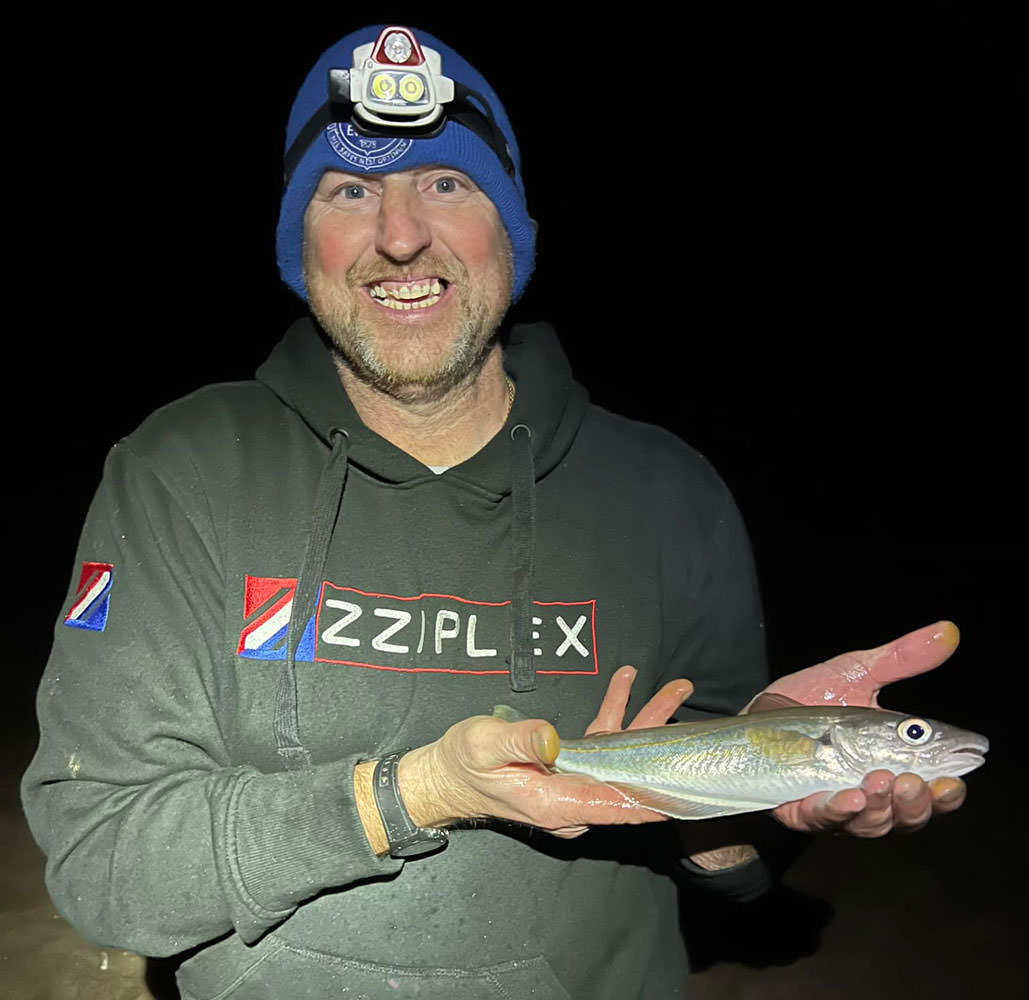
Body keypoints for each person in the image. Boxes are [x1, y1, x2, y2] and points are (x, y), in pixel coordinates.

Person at [22, 24, 968, 999]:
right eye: (349, 190)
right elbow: (104, 867)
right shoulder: (181, 468)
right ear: (295, 238)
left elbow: (729, 870)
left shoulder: (670, 491)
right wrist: (417, 791)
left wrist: (747, 803)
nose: (399, 235)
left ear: (512, 230)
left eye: (446, 183)